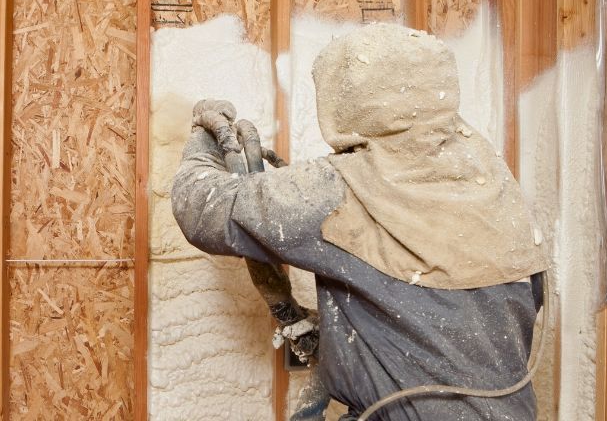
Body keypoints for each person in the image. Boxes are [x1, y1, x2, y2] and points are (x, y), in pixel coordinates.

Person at [171, 23, 549, 420]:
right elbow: (449, 318)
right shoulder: (493, 183)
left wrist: (202, 132)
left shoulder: (344, 187)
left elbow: (201, 207)